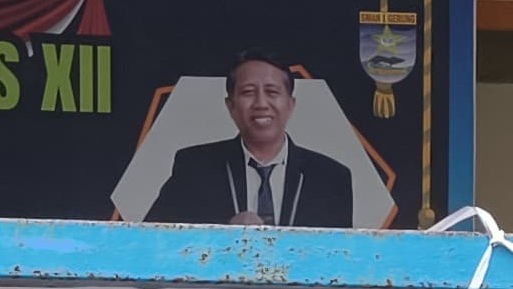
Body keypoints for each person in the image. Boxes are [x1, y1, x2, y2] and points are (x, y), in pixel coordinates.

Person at [140, 54, 356, 228]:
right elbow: (152, 242)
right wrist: (222, 232)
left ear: (290, 104)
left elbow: (340, 261)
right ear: (230, 105)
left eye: (272, 92)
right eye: (248, 92)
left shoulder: (330, 178)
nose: (261, 103)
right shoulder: (195, 167)